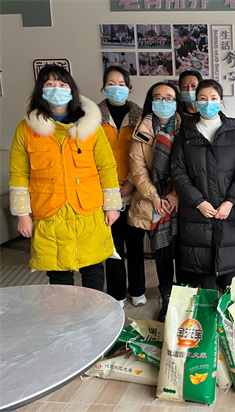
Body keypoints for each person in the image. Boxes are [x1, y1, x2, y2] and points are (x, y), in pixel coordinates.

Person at [9, 64, 121, 290]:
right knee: (58, 275)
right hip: (49, 211)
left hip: (88, 211)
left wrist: (112, 206)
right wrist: (22, 214)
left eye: (62, 84)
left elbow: (107, 167)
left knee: (93, 269)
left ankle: (94, 312)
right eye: (49, 84)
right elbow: (19, 173)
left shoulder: (91, 126)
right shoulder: (26, 129)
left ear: (72, 90)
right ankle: (64, 314)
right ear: (40, 90)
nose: (56, 89)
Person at [172, 79, 235, 290]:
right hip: (196, 214)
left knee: (229, 280)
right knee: (204, 280)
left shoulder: (234, 135)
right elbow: (178, 173)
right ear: (196, 103)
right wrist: (199, 202)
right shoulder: (185, 134)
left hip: (229, 213)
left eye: (213, 98)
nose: (208, 103)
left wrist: (230, 201)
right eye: (202, 99)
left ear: (221, 102)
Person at [128, 81, 183, 322]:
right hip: (153, 202)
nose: (163, 102)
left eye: (169, 98)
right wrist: (155, 197)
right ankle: (167, 295)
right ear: (150, 101)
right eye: (158, 97)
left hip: (181, 199)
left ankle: (184, 296)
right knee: (162, 251)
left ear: (177, 101)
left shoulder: (186, 127)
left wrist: (176, 194)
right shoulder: (142, 129)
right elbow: (137, 168)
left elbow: (190, 167)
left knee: (182, 251)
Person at [98, 66, 146, 307]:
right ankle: (117, 293)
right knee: (112, 247)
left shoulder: (141, 117)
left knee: (135, 245)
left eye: (121, 84)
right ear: (103, 87)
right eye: (110, 83)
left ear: (129, 87)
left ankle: (137, 290)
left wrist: (130, 183)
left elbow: (145, 154)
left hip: (134, 190)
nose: (116, 88)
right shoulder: (92, 118)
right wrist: (108, 187)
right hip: (104, 193)